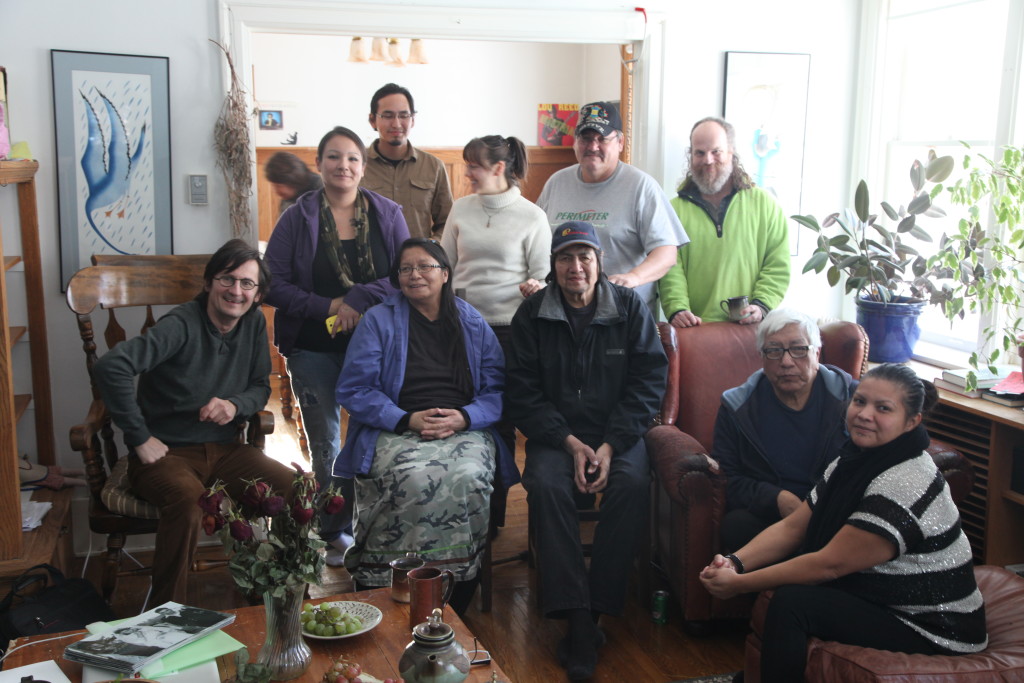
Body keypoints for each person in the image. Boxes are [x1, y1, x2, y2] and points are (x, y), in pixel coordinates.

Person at [701, 364, 987, 682]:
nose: (864, 414)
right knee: (790, 588)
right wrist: (734, 563)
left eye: (883, 408)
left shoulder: (905, 480)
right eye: (860, 401)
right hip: (885, 597)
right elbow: (794, 527)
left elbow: (829, 566)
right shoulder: (851, 459)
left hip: (932, 625)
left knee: (793, 602)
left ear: (912, 422)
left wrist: (739, 585)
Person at [93, 239, 296, 606]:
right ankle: (165, 615)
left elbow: (258, 386)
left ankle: (283, 599)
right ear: (208, 283)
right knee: (190, 503)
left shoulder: (251, 324)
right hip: (168, 454)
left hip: (227, 452)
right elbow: (112, 367)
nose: (236, 291)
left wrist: (235, 406)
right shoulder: (181, 324)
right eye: (227, 279)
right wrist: (139, 437)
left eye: (247, 284)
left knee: (295, 488)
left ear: (258, 293)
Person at [506, 222, 667, 680]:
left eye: (585, 257)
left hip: (618, 434)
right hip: (557, 436)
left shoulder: (629, 307)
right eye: (565, 258)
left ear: (599, 262)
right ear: (553, 265)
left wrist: (612, 445)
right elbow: (522, 393)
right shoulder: (533, 314)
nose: (575, 268)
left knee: (633, 482)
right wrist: (570, 442)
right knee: (545, 483)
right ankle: (577, 620)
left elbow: (649, 382)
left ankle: (596, 609)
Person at [334, 238, 516, 613]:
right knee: (410, 477)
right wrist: (405, 419)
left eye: (425, 266)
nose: (415, 274)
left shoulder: (471, 321)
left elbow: (498, 389)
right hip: (395, 425)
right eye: (406, 268)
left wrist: (464, 417)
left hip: (461, 425)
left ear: (445, 274)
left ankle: (458, 587)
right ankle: (383, 580)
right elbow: (354, 388)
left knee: (467, 474)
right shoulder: (378, 321)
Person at [264, 126, 410, 567]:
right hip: (312, 346)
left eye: (351, 158)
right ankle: (335, 530)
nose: (342, 165)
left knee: (375, 435)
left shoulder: (387, 214)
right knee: (327, 443)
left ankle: (378, 524)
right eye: (333, 157)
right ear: (320, 164)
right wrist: (328, 305)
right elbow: (273, 283)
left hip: (375, 345)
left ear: (363, 167)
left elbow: (408, 272)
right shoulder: (296, 216)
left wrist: (356, 301)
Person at [439, 134, 550, 518]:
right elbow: (445, 265)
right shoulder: (461, 208)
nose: (467, 172)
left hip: (508, 330)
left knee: (499, 418)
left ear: (499, 168)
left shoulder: (532, 216)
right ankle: (462, 505)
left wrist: (536, 286)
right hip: (462, 326)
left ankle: (494, 515)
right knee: (462, 413)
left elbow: (542, 276)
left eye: (474, 166)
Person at [715, 309, 856, 552]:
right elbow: (729, 479)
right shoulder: (737, 406)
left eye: (799, 349)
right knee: (736, 526)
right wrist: (777, 499)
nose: (787, 361)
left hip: (834, 512)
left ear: (817, 353)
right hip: (772, 517)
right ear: (762, 356)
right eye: (774, 350)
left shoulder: (850, 398)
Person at [536, 101, 688, 314]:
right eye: (586, 138)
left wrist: (633, 277)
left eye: (602, 139)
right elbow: (538, 242)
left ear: (620, 143)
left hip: (623, 316)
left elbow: (667, 253)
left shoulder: (641, 187)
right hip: (564, 314)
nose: (593, 146)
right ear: (575, 143)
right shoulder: (556, 183)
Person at [659, 116, 790, 327]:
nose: (708, 160)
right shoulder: (673, 210)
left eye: (716, 151)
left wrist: (762, 305)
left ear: (731, 152)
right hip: (695, 330)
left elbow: (777, 263)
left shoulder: (765, 204)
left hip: (753, 331)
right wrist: (677, 309)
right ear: (690, 156)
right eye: (699, 153)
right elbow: (670, 268)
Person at [362, 83, 453, 240]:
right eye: (388, 116)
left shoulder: (433, 166)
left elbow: (448, 223)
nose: (396, 124)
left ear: (412, 120)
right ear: (372, 120)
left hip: (419, 262)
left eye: (404, 116)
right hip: (369, 262)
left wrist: (429, 249)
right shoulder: (356, 165)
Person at [263, 151, 323, 215]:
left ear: (291, 179)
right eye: (273, 185)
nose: (276, 191)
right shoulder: (287, 201)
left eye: (278, 185)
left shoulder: (322, 189)